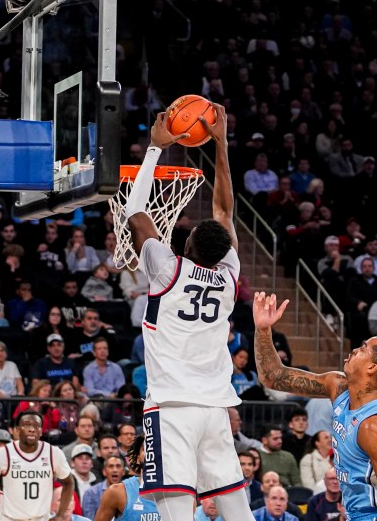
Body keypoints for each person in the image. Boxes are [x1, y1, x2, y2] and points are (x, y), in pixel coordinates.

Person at [123, 106, 253, 521]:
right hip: (215, 409)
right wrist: (221, 143)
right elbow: (224, 212)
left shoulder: (167, 269)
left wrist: (155, 150)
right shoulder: (230, 278)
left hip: (171, 408)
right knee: (237, 511)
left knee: (176, 515)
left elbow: (135, 214)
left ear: (189, 245)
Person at [254, 292, 377, 520]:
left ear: (371, 368)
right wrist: (263, 329)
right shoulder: (337, 386)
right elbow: (273, 376)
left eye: (364, 348)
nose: (356, 349)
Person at [0, 411, 74, 521]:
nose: (32, 429)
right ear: (17, 430)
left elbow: (69, 483)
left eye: (36, 426)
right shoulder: (2, 454)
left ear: (40, 432)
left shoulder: (53, 453)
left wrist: (60, 515)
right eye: (27, 425)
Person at [91, 437, 160, 521]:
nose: (151, 452)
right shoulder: (117, 492)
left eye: (157, 448)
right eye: (145, 448)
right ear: (137, 458)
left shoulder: (177, 492)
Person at [81, 455, 125, 519]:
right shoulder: (91, 493)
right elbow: (89, 519)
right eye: (111, 466)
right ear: (104, 472)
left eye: (118, 466)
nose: (115, 470)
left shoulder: (130, 492)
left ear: (123, 472)